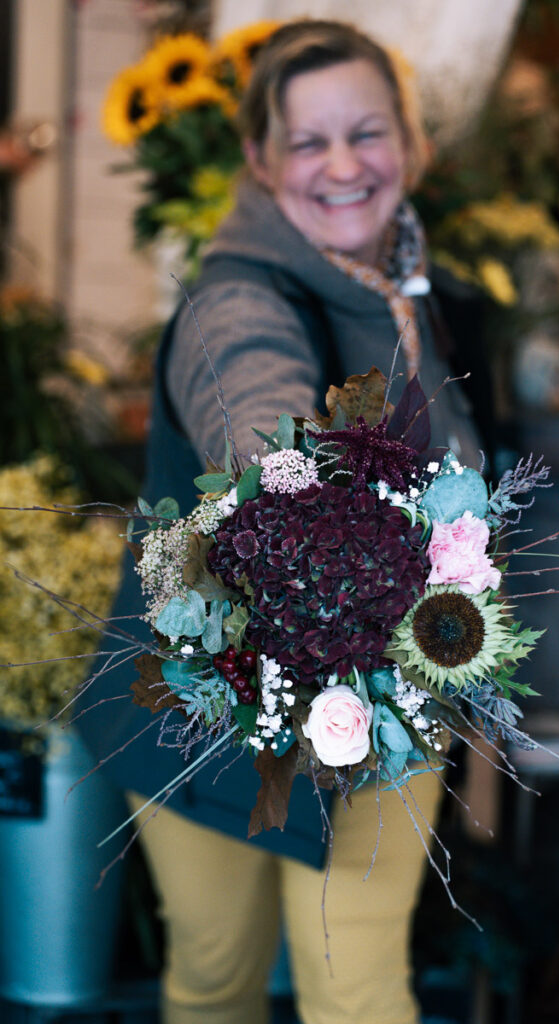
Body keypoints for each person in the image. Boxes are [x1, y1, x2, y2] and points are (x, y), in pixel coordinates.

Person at [79, 19, 496, 1024]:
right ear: (260, 162)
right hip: (212, 711)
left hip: (386, 705)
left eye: (366, 132)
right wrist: (290, 478)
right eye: (308, 142)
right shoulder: (236, 298)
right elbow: (255, 410)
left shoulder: (404, 288)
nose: (344, 165)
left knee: (355, 988)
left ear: (410, 141)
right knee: (216, 983)